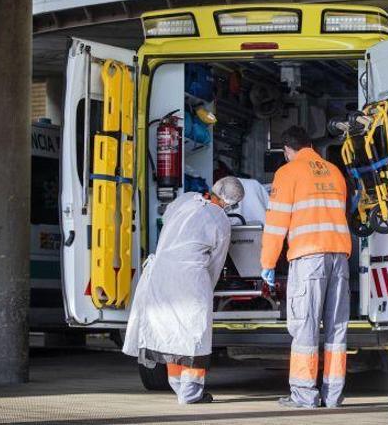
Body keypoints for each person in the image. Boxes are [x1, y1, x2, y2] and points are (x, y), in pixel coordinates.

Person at [122, 176, 245, 404]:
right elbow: (216, 261)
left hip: (160, 271)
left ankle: (178, 387)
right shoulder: (221, 220)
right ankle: (191, 392)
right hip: (191, 277)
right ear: (230, 203)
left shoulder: (187, 199)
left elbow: (168, 220)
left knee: (170, 333)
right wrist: (208, 288)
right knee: (195, 335)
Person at [260, 126, 352, 409]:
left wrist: (268, 263)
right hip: (339, 256)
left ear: (288, 150)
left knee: (305, 326)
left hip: (309, 258)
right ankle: (333, 395)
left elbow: (276, 223)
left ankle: (303, 394)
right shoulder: (334, 171)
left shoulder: (288, 173)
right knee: (337, 328)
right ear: (310, 145)